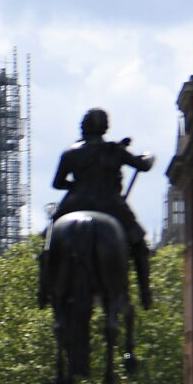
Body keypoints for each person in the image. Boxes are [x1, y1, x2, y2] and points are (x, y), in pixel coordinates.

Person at [49, 107, 156, 305]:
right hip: (110, 205)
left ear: (84, 127)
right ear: (105, 128)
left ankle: (46, 288)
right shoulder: (115, 150)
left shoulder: (70, 153)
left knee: (49, 240)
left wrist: (76, 186)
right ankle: (145, 293)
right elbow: (143, 166)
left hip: (76, 203)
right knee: (139, 243)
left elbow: (57, 183)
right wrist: (148, 156)